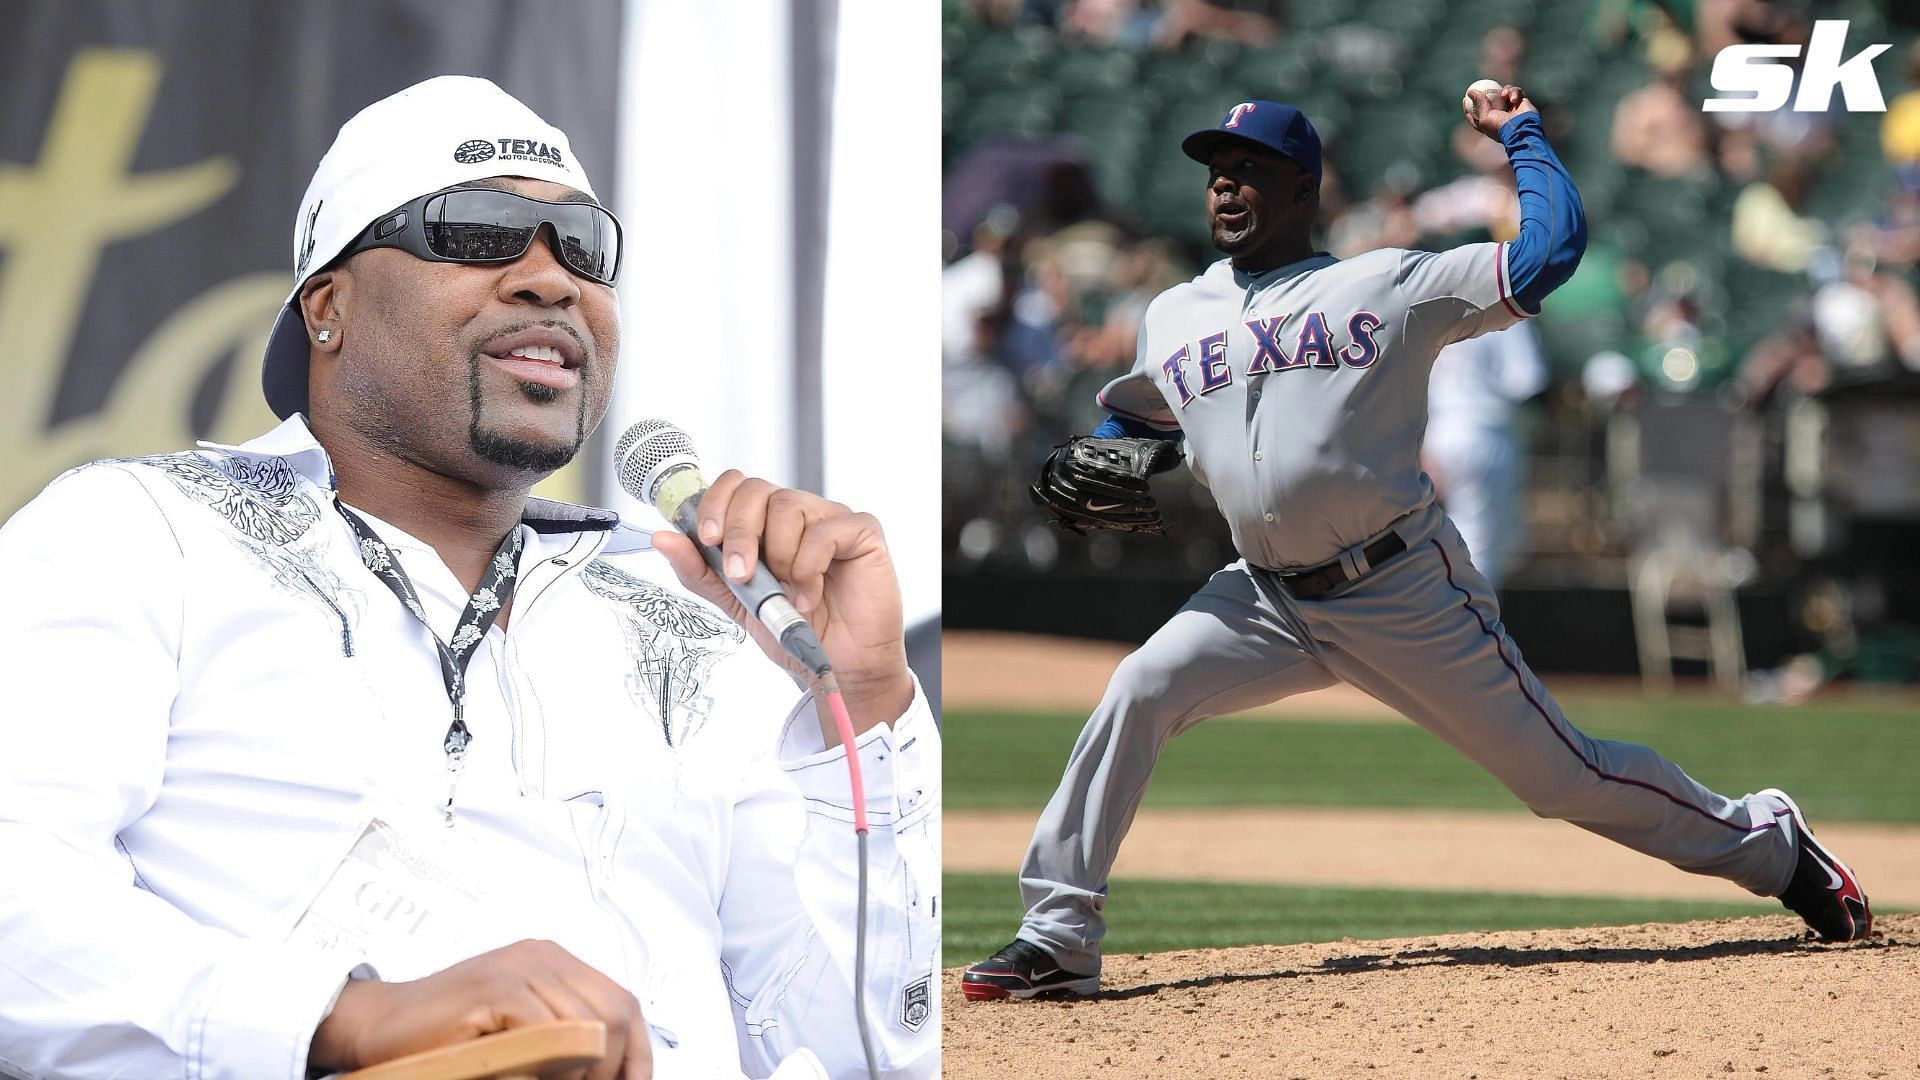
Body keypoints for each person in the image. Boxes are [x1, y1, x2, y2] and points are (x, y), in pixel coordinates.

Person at [0, 76, 940, 1079]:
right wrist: (336, 1021)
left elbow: (863, 1046)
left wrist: (869, 704)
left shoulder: (695, 629)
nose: (552, 280)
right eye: (479, 231)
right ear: (329, 306)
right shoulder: (140, 534)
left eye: (585, 247)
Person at [965, 91, 1871, 1001]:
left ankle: (1771, 843)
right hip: (1264, 596)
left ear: (1303, 189)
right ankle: (1060, 934)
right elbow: (1140, 414)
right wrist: (1117, 454)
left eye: (1251, 171)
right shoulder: (1175, 312)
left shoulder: (1387, 283)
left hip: (1399, 585)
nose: (1226, 188)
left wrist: (1521, 138)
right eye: (1216, 173)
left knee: (1564, 778)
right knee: (1139, 688)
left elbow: (1546, 255)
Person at [1423, 320, 1549, 589]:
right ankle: (1470, 628)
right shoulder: (1509, 317)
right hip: (1484, 434)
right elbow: (1527, 382)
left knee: (1445, 541)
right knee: (1480, 547)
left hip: (1438, 434)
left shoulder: (1442, 312)